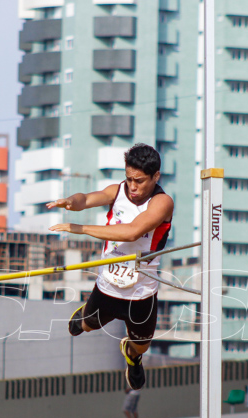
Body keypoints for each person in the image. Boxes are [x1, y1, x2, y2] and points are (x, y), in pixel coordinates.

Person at [47, 144, 173, 390]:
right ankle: (86, 314)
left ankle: (132, 356)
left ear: (156, 176)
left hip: (142, 292)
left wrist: (81, 229)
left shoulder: (162, 203)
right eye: (128, 179)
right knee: (83, 327)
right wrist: (71, 201)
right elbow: (88, 199)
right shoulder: (118, 192)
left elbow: (132, 232)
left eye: (139, 181)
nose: (133, 187)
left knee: (142, 346)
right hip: (108, 287)